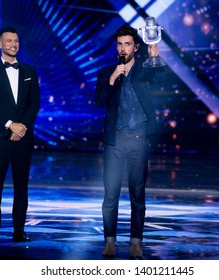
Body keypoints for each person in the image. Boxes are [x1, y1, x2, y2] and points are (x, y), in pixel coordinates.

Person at [95, 25, 167, 259]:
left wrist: (156, 57)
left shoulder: (145, 69)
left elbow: (161, 76)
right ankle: (110, 242)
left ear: (135, 46)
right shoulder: (107, 71)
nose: (123, 48)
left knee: (137, 193)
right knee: (111, 193)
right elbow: (99, 101)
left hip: (138, 139)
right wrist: (113, 78)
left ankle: (136, 242)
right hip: (115, 141)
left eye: (127, 44)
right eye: (119, 44)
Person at [0, 26, 40, 244]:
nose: (13, 44)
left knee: (21, 186)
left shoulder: (30, 71)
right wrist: (9, 125)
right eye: (8, 41)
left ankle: (19, 231)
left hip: (23, 137)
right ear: (0, 44)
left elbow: (35, 103)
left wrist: (21, 127)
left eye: (16, 40)